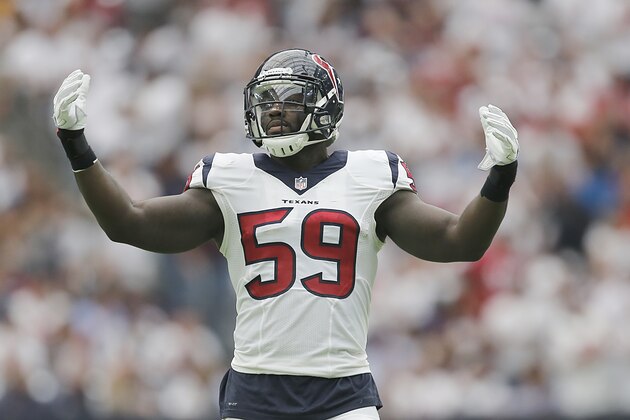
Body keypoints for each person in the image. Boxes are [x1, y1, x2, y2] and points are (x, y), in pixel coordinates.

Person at [51, 48, 519, 420]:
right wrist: (77, 147)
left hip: (343, 391)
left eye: (289, 100)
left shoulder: (373, 175)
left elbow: (461, 241)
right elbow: (128, 222)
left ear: (324, 107)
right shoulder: (228, 179)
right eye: (267, 100)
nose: (273, 111)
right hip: (255, 391)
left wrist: (500, 176)